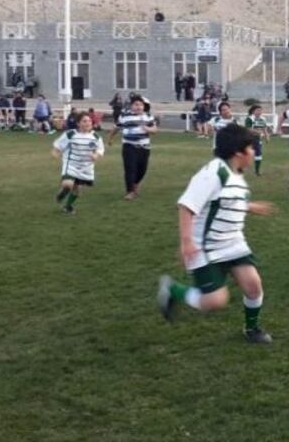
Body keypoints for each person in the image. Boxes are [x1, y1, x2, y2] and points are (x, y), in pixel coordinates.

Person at [156, 124, 276, 345]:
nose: (254, 153)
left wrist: (250, 206)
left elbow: (225, 200)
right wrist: (186, 242)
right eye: (251, 148)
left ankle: (252, 329)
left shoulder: (235, 174)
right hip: (207, 247)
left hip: (234, 243)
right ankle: (173, 289)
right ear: (238, 152)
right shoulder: (214, 172)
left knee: (253, 286)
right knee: (215, 301)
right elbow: (186, 205)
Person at [52, 111, 105, 215]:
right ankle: (63, 193)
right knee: (68, 184)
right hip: (71, 164)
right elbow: (57, 146)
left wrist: (96, 156)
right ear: (78, 123)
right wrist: (56, 153)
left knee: (77, 190)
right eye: (84, 121)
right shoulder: (70, 134)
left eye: (89, 121)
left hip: (86, 167)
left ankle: (68, 207)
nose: (88, 123)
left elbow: (100, 150)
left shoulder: (96, 137)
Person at [108, 95, 157, 200]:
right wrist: (110, 138)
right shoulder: (124, 116)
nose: (138, 107)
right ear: (131, 106)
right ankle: (130, 191)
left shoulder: (148, 116)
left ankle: (135, 184)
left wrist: (148, 129)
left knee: (142, 170)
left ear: (144, 106)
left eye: (140, 105)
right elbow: (117, 127)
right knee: (130, 168)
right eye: (136, 104)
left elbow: (155, 130)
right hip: (129, 146)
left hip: (144, 147)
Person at [244, 105, 269, 176]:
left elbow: (264, 128)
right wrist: (257, 132)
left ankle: (257, 171)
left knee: (258, 154)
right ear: (253, 111)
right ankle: (242, 167)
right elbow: (248, 129)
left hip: (258, 139)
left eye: (260, 110)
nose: (259, 112)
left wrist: (267, 136)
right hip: (249, 139)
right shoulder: (249, 119)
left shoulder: (263, 119)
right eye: (257, 110)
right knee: (247, 154)